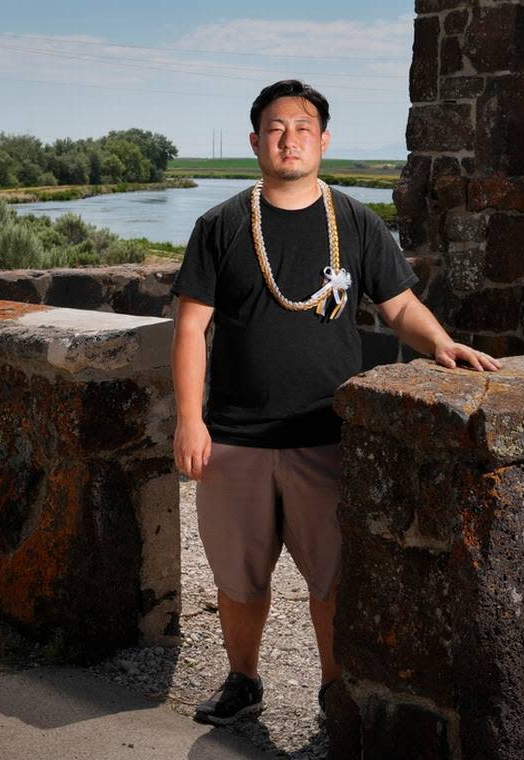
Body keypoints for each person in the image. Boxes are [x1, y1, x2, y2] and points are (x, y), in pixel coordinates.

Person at [169, 79, 501, 727]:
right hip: (235, 436)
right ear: (254, 141)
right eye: (274, 127)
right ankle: (243, 680)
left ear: (323, 140)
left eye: (302, 126)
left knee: (334, 579)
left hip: (328, 436)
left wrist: (441, 344)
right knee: (239, 580)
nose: (288, 138)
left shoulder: (354, 221)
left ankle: (334, 689)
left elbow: (399, 305)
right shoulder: (221, 227)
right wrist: (190, 419)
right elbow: (190, 329)